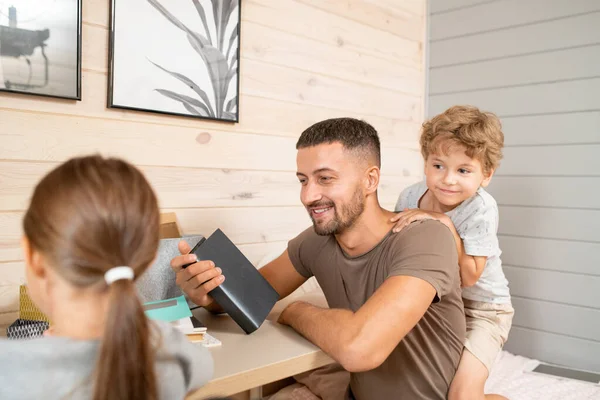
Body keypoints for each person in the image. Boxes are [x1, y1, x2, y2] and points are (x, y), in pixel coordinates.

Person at [172, 118, 466, 399]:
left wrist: (296, 311)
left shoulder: (425, 238)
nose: (308, 196)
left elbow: (359, 348)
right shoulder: (317, 241)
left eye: (325, 179)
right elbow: (250, 297)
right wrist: (207, 295)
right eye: (303, 180)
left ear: (370, 179)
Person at [0, 155, 213, 400]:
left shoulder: (10, 373)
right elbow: (204, 367)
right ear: (149, 257)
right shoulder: (170, 349)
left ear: (33, 257)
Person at [391, 105, 514, 400]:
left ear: (485, 175)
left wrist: (445, 223)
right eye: (438, 166)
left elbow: (470, 277)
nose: (448, 179)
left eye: (463, 170)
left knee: (461, 396)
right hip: (439, 306)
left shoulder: (480, 208)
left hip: (484, 311)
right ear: (425, 163)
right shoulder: (410, 196)